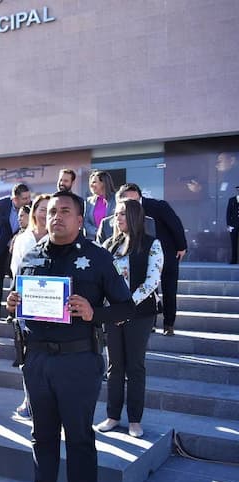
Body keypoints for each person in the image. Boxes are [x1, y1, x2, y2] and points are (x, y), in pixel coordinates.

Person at [5, 191, 135, 482]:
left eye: (65, 211)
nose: (56, 217)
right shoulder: (32, 255)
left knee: (78, 439)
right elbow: (25, 303)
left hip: (78, 361)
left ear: (80, 220)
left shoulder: (97, 258)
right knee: (42, 437)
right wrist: (15, 302)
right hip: (37, 360)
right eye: (50, 212)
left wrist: (95, 313)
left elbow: (126, 308)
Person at [96, 199, 163, 439]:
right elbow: (99, 277)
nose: (117, 218)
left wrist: (125, 307)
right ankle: (113, 416)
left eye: (122, 214)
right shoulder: (108, 244)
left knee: (135, 367)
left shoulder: (151, 244)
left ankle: (135, 420)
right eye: (116, 214)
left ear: (134, 216)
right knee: (114, 367)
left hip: (139, 314)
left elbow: (152, 281)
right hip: (112, 314)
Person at [116, 184, 186, 336]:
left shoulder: (158, 206)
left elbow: (175, 224)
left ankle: (169, 324)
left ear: (140, 197)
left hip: (167, 254)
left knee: (169, 290)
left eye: (133, 199)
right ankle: (151, 323)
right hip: (140, 257)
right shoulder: (120, 215)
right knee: (149, 290)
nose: (130, 203)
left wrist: (182, 246)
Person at [8, 194, 51, 418]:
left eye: (48, 209)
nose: (44, 213)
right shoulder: (23, 239)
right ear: (34, 212)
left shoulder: (61, 237)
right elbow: (17, 269)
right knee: (29, 355)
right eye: (40, 209)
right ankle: (28, 398)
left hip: (53, 304)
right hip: (27, 302)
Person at [0, 183, 32, 319]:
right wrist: (4, 229)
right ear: (15, 199)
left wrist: (17, 235)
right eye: (24, 198)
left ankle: (13, 312)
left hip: (19, 246)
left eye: (28, 197)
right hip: (0, 245)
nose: (28, 200)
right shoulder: (1, 204)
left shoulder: (31, 206)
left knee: (16, 277)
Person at [83, 170, 117, 240]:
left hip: (112, 239)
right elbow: (85, 222)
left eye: (94, 182)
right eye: (91, 183)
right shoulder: (88, 201)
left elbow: (117, 219)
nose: (91, 185)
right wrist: (97, 232)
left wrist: (105, 233)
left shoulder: (116, 199)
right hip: (93, 240)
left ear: (103, 183)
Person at [227, 185, 239, 264]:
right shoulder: (232, 200)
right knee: (234, 243)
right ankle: (234, 259)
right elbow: (228, 214)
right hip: (234, 225)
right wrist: (228, 225)